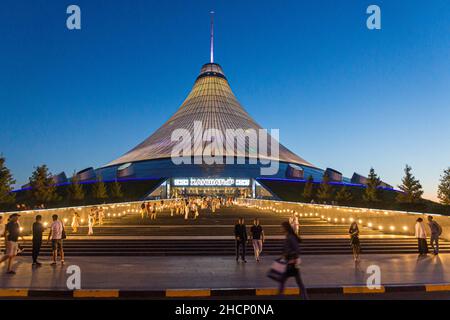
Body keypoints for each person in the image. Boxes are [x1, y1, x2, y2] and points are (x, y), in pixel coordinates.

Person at [278, 221, 308, 299]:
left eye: (282, 227)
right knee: (297, 282)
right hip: (290, 263)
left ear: (285, 228)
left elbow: (297, 250)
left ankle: (305, 297)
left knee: (284, 280)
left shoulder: (290, 237)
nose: (280, 229)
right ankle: (305, 298)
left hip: (292, 264)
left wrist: (292, 258)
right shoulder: (288, 236)